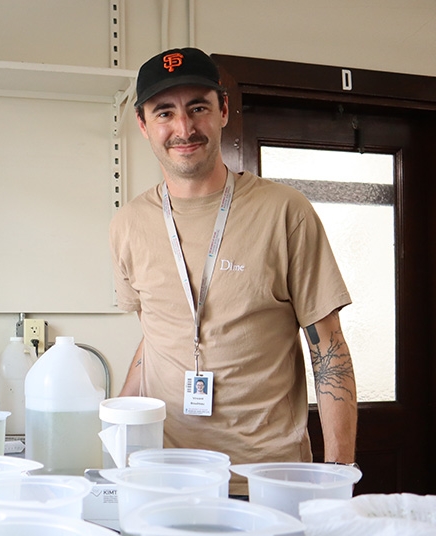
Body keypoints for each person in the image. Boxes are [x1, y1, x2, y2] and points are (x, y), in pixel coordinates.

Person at [109, 47, 357, 495]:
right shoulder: (128, 224)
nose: (183, 128)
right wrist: (116, 436)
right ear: (144, 126)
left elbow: (329, 347)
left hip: (268, 482)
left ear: (223, 110)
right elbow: (159, 331)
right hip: (165, 479)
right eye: (164, 112)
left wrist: (336, 478)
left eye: (197, 107)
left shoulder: (286, 213)